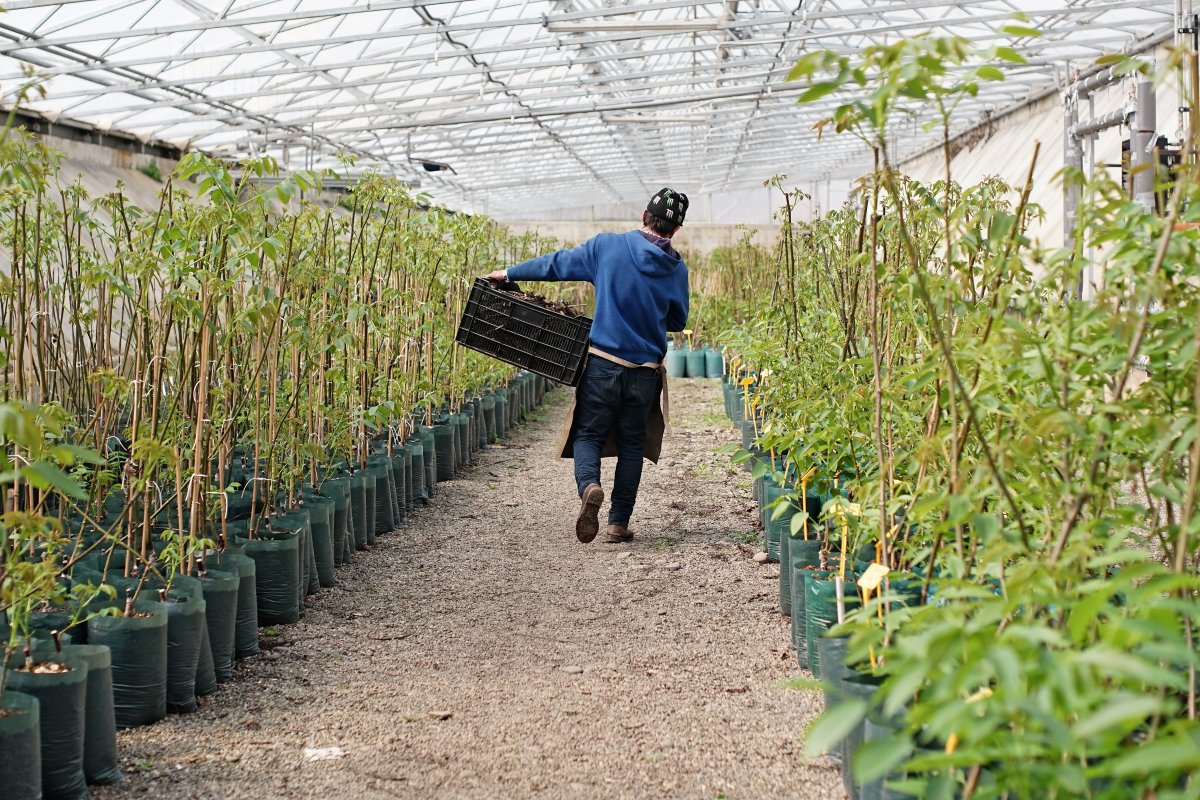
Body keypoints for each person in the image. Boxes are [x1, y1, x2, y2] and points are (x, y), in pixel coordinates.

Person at [485, 188, 690, 544]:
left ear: (644, 216)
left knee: (588, 434)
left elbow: (557, 265)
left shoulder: (607, 247)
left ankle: (589, 487)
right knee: (631, 446)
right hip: (644, 373)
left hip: (603, 365)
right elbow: (677, 319)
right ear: (675, 230)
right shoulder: (676, 268)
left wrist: (508, 272)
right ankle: (617, 523)